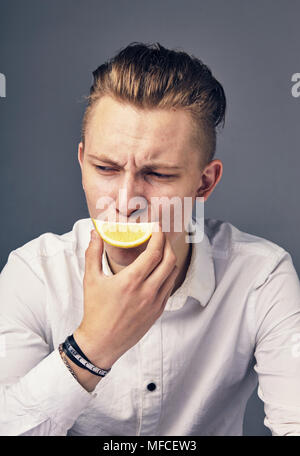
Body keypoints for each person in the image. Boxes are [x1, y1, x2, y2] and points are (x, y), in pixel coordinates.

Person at [1, 42, 300, 437]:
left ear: (204, 182)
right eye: (105, 168)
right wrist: (93, 346)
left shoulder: (261, 277)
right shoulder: (34, 275)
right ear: (81, 161)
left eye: (157, 175)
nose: (126, 202)